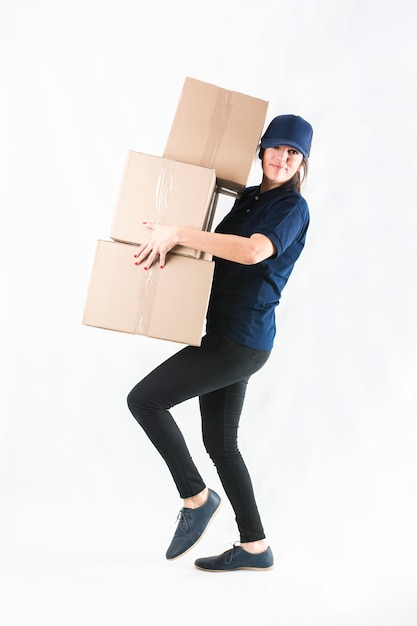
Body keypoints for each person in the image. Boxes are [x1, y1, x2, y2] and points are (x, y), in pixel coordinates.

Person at [127, 114, 313, 572]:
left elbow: (252, 251)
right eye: (276, 148)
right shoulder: (250, 197)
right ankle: (256, 547)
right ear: (261, 149)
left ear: (303, 162)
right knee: (221, 443)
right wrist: (167, 237)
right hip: (225, 334)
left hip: (240, 341)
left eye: (294, 153)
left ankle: (196, 498)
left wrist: (181, 234)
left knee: (145, 400)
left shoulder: (292, 208)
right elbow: (214, 245)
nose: (283, 158)